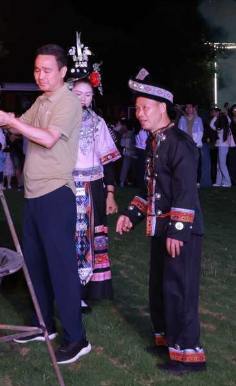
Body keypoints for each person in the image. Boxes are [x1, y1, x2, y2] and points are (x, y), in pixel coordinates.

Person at [0, 45, 89, 366]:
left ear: (63, 72)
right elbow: (16, 124)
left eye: (46, 70)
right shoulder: (42, 101)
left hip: (56, 195)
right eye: (36, 70)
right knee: (35, 264)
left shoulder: (68, 102)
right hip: (32, 196)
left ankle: (77, 338)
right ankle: (41, 324)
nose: (40, 75)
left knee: (61, 268)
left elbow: (46, 138)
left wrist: (12, 123)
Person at [116, 68, 206, 374]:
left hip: (178, 231)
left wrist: (178, 231)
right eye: (137, 108)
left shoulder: (180, 143)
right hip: (159, 228)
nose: (139, 114)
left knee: (179, 290)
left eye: (145, 108)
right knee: (160, 288)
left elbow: (185, 193)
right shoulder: (155, 142)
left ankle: (187, 356)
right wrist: (130, 215)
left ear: (162, 108)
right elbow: (150, 189)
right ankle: (167, 340)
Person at [71, 79, 120, 310]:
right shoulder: (59, 120)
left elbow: (108, 160)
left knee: (89, 238)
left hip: (92, 188)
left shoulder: (98, 123)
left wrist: (110, 193)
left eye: (88, 94)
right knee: (67, 238)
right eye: (78, 93)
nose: (83, 98)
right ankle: (65, 287)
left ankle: (85, 290)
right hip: (66, 186)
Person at [177, 104, 207, 188]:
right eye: (187, 107)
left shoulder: (198, 119)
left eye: (190, 107)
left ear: (194, 109)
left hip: (195, 145)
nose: (188, 109)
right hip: (185, 145)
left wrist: (194, 143)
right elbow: (180, 132)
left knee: (197, 164)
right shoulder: (182, 119)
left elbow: (201, 132)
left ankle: (197, 182)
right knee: (184, 164)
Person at [211, 106, 235, 188]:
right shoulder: (226, 127)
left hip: (222, 147)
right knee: (219, 164)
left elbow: (211, 125)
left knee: (222, 164)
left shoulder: (220, 129)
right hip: (222, 147)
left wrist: (216, 116)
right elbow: (229, 120)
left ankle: (227, 182)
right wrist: (225, 115)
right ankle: (219, 182)